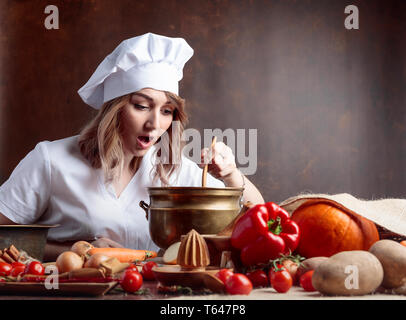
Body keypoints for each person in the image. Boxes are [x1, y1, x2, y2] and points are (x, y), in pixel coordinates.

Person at [0, 33, 264, 261]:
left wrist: (230, 173)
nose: (154, 124)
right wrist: (75, 250)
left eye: (167, 111)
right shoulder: (51, 160)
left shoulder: (174, 169)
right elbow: (2, 239)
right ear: (115, 108)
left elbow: (261, 220)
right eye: (141, 106)